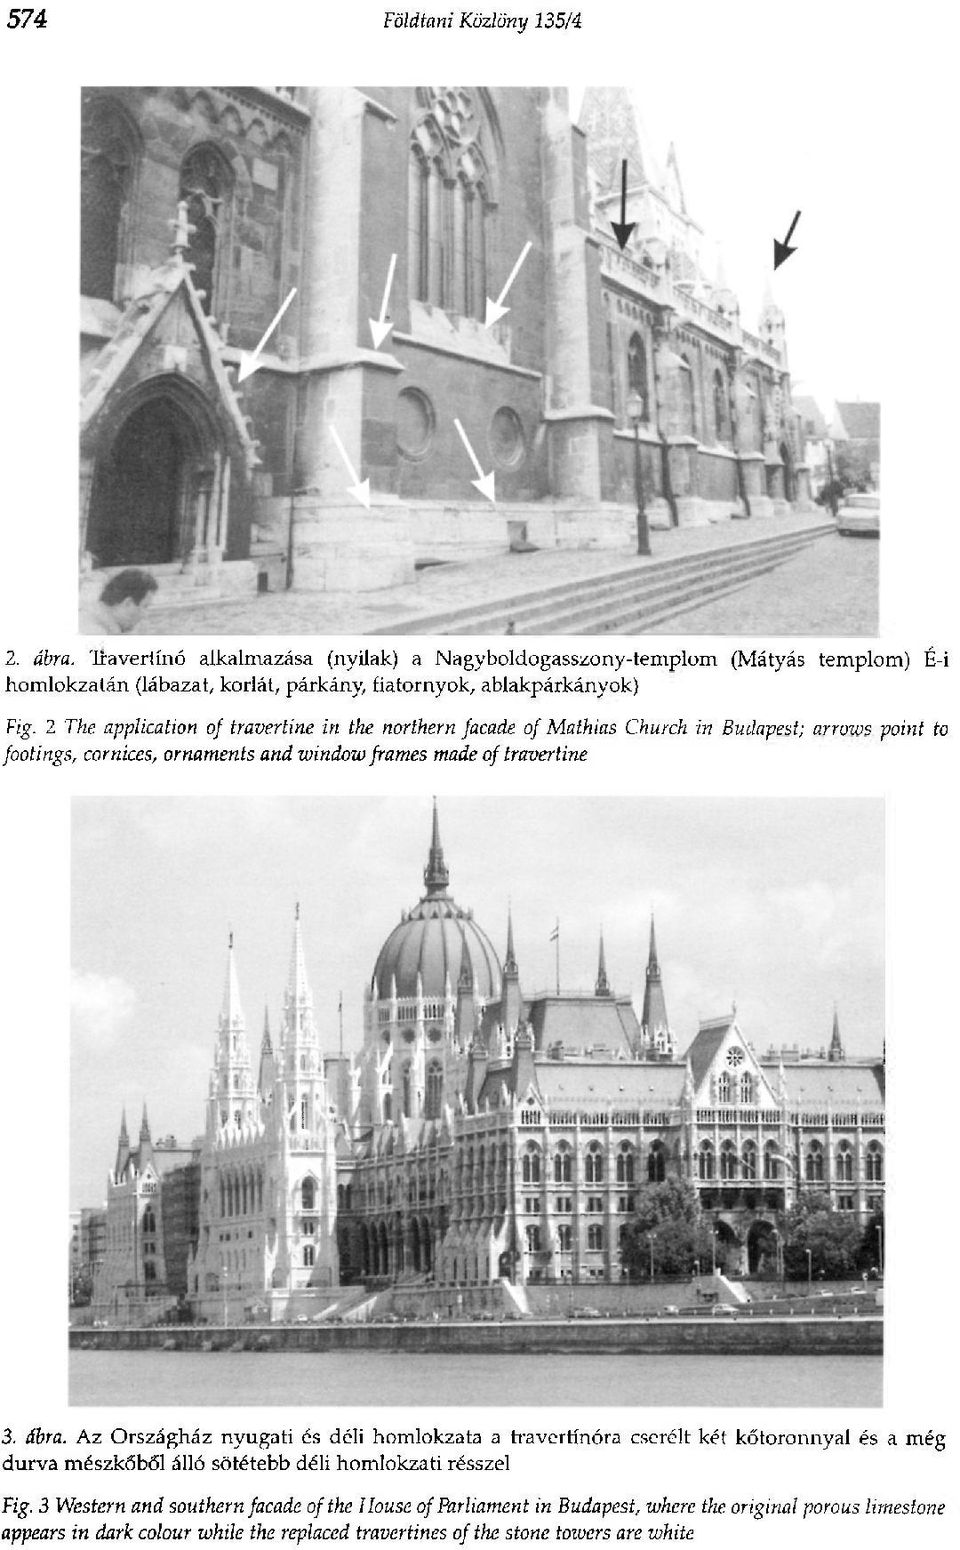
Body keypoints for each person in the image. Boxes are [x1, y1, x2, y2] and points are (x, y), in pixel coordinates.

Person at [79, 569, 158, 635]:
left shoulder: (90, 617)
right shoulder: (94, 632)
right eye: (145, 606)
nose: (145, 615)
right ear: (128, 603)